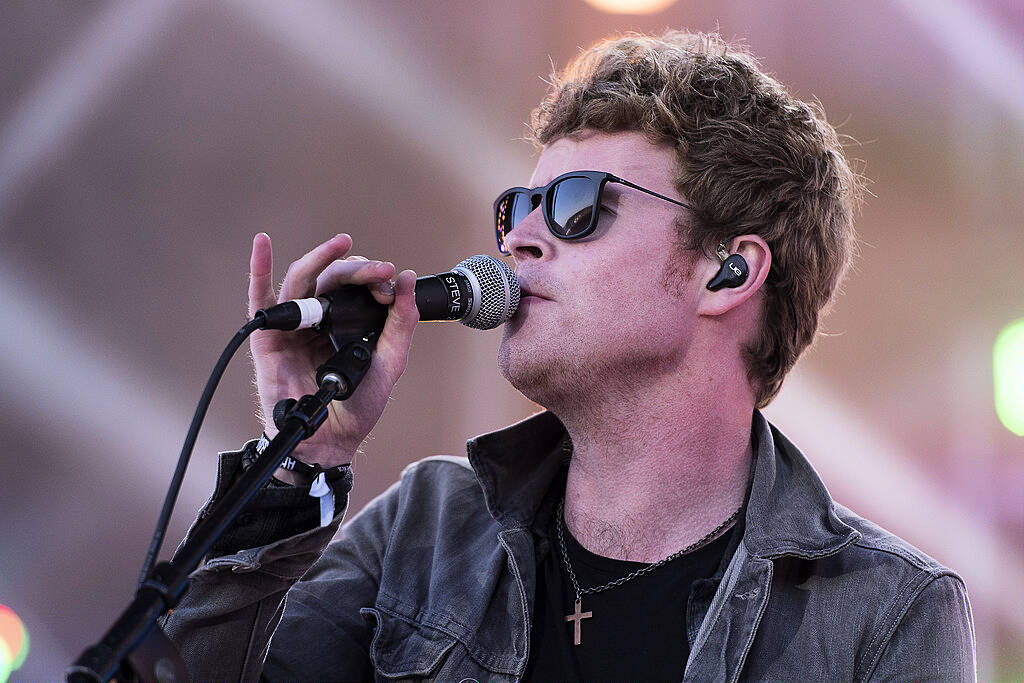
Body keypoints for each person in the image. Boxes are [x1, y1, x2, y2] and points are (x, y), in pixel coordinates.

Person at [164, 31, 976, 681]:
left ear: (727, 271)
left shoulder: (887, 610)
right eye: (516, 207)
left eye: (579, 207)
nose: (521, 236)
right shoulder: (429, 526)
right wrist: (298, 464)